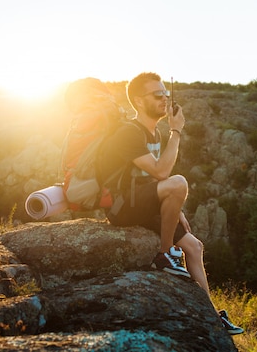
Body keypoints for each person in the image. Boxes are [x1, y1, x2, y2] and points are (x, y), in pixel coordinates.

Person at [98, 72, 244, 335]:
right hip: (123, 206)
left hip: (142, 202)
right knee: (178, 182)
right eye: (158, 95)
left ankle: (211, 315)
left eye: (166, 93)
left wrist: (176, 210)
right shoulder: (130, 132)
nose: (165, 99)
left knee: (195, 246)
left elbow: (153, 184)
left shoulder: (153, 133)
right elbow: (161, 174)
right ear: (139, 101)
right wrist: (176, 131)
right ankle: (164, 255)